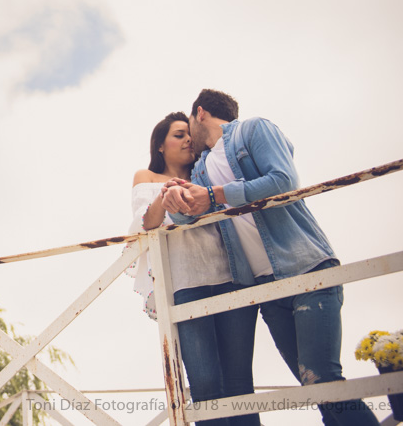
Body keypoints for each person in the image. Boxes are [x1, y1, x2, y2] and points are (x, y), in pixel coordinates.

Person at [162, 89, 377, 426]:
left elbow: (283, 180)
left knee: (321, 376)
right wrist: (175, 199)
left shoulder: (253, 129)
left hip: (307, 269)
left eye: (189, 125)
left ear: (200, 113)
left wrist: (216, 194)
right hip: (266, 288)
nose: (189, 136)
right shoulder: (202, 167)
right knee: (311, 387)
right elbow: (191, 214)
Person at [128, 112, 259, 426]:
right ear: (160, 144)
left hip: (231, 276)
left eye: (190, 134)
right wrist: (167, 194)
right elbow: (147, 222)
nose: (188, 139)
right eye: (178, 134)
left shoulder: (206, 172)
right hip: (186, 285)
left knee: (240, 383)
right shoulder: (145, 176)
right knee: (205, 385)